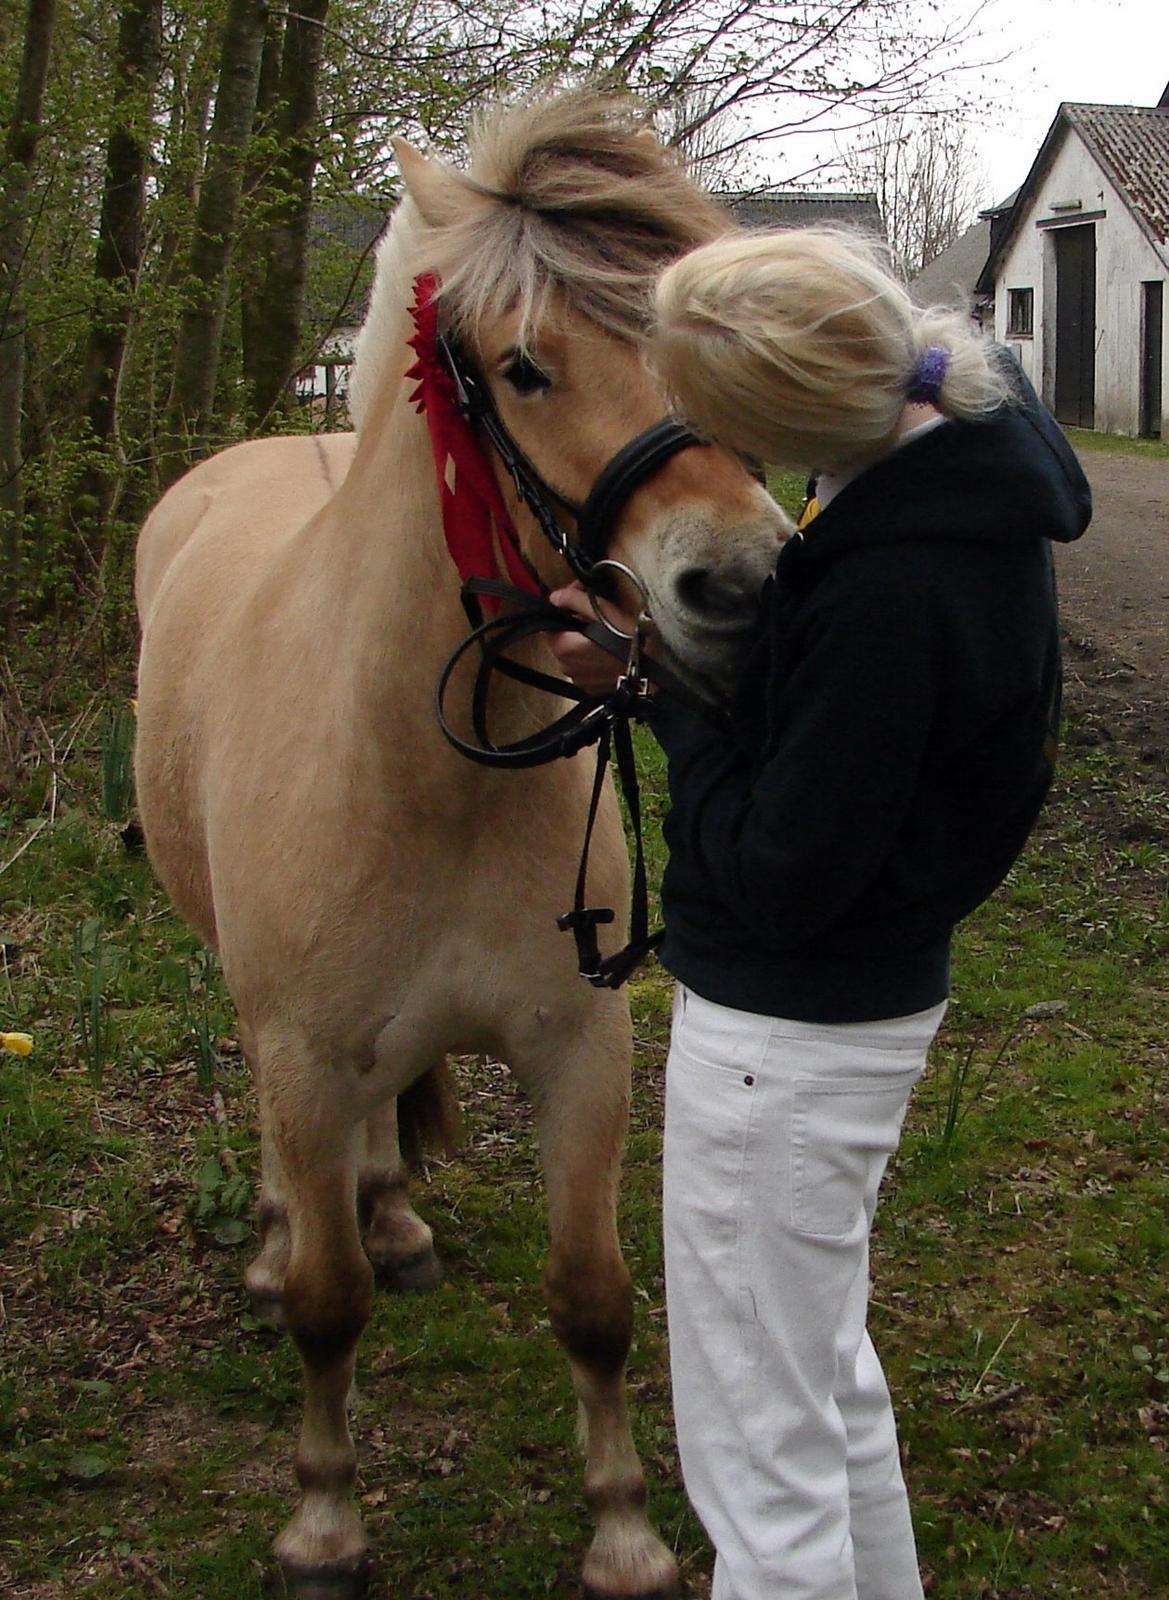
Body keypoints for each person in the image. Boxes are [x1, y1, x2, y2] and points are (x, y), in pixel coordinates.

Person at [548, 226, 1091, 1600]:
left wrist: (660, 693)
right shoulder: (951, 480)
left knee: (759, 1456)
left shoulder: (891, 588)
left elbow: (779, 873)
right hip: (858, 1008)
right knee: (819, 1377)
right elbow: (838, 765)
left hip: (782, 1044)